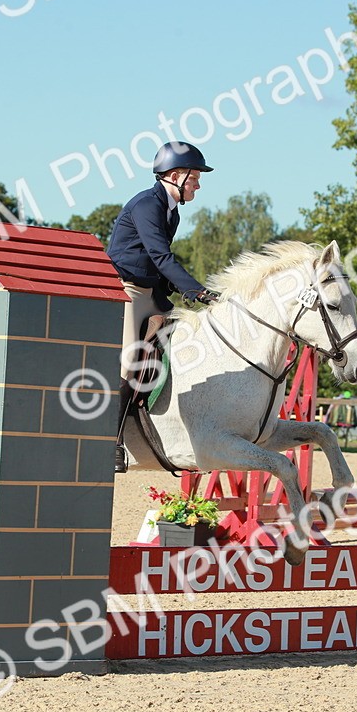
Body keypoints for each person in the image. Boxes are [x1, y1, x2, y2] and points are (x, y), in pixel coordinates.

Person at [106, 141, 220, 472]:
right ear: (174, 175)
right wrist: (195, 289)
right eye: (194, 178)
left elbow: (156, 263)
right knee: (129, 360)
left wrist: (185, 290)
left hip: (152, 292)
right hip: (129, 290)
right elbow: (160, 256)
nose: (198, 185)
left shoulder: (172, 211)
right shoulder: (147, 205)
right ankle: (112, 442)